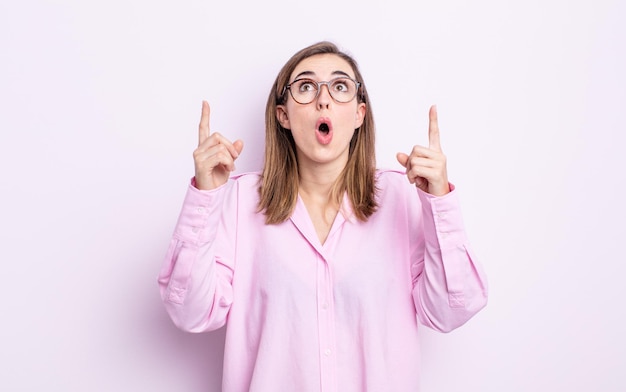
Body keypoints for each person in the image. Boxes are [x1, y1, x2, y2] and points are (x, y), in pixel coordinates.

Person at [158, 41, 488, 391]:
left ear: (359, 114)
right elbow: (191, 312)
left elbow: (451, 310)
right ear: (283, 114)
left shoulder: (401, 199)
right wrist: (205, 197)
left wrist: (439, 202)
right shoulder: (239, 202)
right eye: (306, 87)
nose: (323, 99)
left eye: (340, 86)